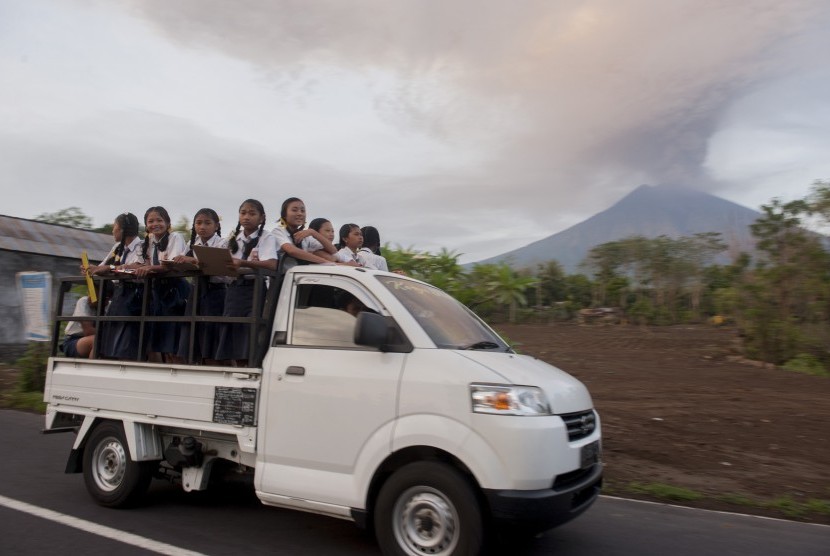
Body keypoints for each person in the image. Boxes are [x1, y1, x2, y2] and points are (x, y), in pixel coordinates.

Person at [215, 199, 278, 365]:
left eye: (252, 213)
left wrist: (244, 263)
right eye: (243, 213)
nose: (246, 217)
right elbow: (228, 265)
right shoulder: (234, 239)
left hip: (254, 290)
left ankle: (250, 367)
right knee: (232, 330)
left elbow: (272, 263)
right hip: (234, 290)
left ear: (262, 217)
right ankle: (238, 367)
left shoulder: (266, 237)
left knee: (250, 332)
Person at [134, 206, 190, 362]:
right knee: (161, 342)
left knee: (174, 341)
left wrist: (149, 267)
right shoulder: (149, 241)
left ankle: (180, 372)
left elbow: (170, 264)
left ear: (168, 223)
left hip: (175, 290)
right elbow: (142, 263)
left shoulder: (175, 237)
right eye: (150, 221)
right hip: (158, 292)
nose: (155, 224)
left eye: (159, 220)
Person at [173, 208, 227, 364]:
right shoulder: (193, 243)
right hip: (196, 292)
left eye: (207, 223)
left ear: (216, 226)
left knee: (211, 336)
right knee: (192, 334)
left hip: (215, 292)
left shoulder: (223, 243)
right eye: (198, 223)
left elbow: (218, 268)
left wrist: (192, 261)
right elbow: (184, 261)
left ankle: (215, 367)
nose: (202, 227)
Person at [89, 212, 145, 360]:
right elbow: (102, 266)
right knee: (103, 340)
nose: (112, 230)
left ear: (122, 230)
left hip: (134, 296)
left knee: (124, 343)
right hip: (119, 296)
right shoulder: (117, 247)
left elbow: (134, 267)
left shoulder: (142, 246)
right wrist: (91, 269)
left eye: (114, 226)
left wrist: (110, 269)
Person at [270, 198, 339, 268]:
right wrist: (325, 262)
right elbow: (292, 251)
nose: (300, 213)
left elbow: (333, 250)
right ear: (284, 214)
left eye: (302, 211)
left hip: (302, 275)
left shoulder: (305, 236)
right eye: (294, 210)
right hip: (284, 277)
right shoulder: (278, 232)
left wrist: (313, 232)